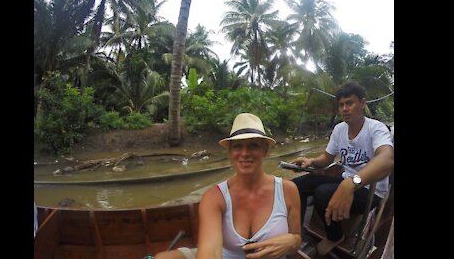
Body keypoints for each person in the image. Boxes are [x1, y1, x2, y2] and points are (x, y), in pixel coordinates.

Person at [155, 113, 302, 259]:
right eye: (238, 146)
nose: (245, 153)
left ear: (265, 151)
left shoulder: (287, 190)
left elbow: (296, 240)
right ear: (230, 152)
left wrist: (293, 241)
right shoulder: (214, 197)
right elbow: (210, 252)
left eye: (253, 146)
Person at [290, 81, 394, 256]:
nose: (345, 108)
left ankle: (335, 236)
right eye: (341, 105)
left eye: (350, 103)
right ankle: (294, 234)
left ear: (362, 103)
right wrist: (311, 161)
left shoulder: (376, 128)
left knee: (322, 193)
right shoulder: (339, 129)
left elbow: (387, 158)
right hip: (346, 181)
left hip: (370, 190)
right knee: (297, 185)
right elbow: (327, 158)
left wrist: (352, 183)